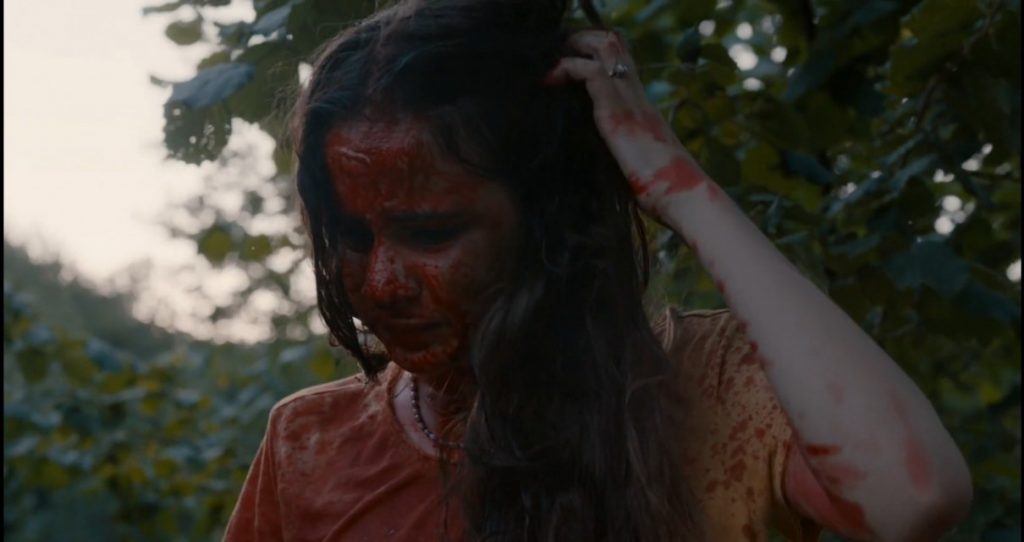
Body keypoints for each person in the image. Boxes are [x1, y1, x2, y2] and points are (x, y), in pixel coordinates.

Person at [223, 0, 973, 540]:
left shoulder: (714, 393)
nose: (381, 282)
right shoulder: (308, 443)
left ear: (545, 219)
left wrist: (677, 184)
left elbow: (914, 498)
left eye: (432, 232)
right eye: (352, 236)